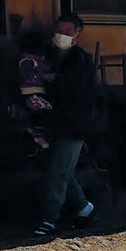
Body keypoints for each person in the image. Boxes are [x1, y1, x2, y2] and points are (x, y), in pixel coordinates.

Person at [34, 13, 97, 238]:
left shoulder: (82, 61)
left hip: (73, 124)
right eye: (60, 29)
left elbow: (77, 93)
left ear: (77, 35)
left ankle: (49, 219)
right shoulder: (46, 56)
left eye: (68, 31)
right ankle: (83, 207)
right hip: (50, 121)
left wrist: (54, 82)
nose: (62, 35)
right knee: (59, 169)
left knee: (58, 172)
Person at [17, 28, 54, 150]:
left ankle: (38, 133)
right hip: (30, 92)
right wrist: (42, 75)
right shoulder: (26, 62)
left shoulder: (39, 60)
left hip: (39, 92)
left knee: (44, 112)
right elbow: (26, 75)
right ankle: (35, 133)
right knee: (42, 111)